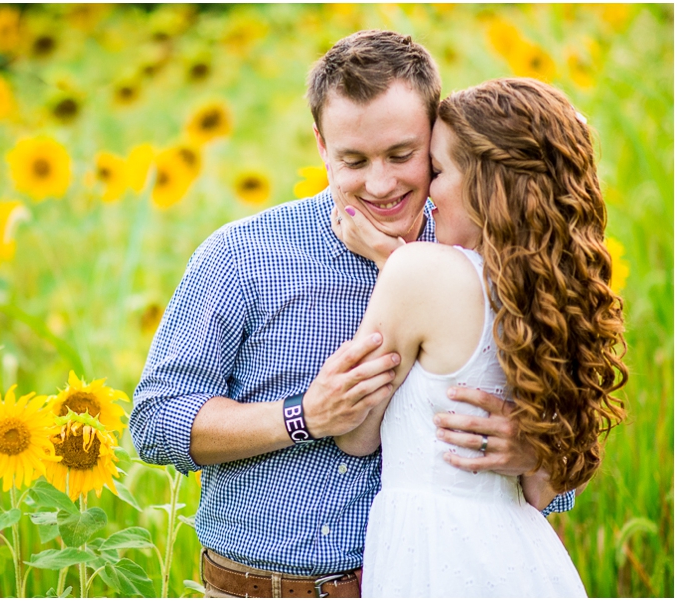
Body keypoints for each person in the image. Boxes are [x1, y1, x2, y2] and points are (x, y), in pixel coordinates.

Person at [131, 30, 575, 598]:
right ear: (320, 144)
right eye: (353, 160)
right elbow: (156, 423)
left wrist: (533, 448)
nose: (381, 183)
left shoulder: (490, 256)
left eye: (402, 155)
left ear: (435, 137)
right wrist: (303, 417)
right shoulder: (243, 255)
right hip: (261, 588)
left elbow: (564, 463)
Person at [332, 78, 627, 596]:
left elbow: (354, 436)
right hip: (521, 557)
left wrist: (392, 262)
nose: (427, 194)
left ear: (488, 184)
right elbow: (542, 491)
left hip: (436, 556)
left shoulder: (418, 271)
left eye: (438, 170)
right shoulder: (547, 297)